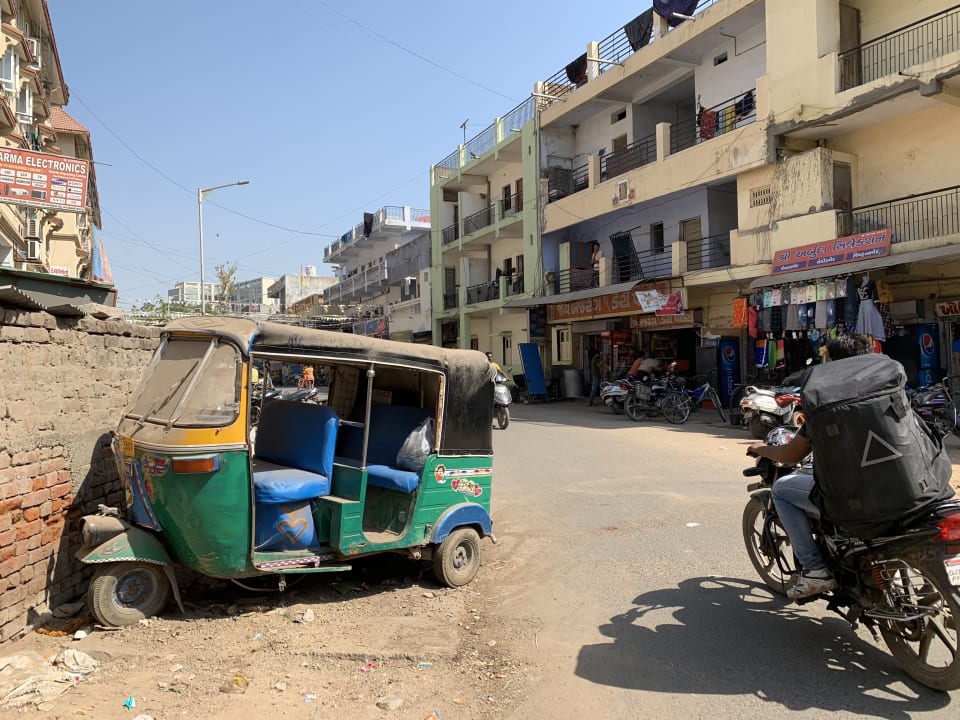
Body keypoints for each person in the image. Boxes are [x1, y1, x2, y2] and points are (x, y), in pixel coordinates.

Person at [746, 333, 873, 600]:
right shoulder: (893, 391)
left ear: (833, 363)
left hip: (856, 495)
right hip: (907, 490)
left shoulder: (829, 401)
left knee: (781, 489)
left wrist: (761, 448)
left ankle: (815, 569)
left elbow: (792, 456)